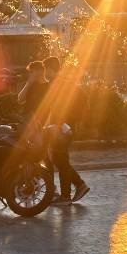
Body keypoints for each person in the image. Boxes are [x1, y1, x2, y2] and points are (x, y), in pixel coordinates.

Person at [43, 56, 89, 205]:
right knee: (58, 159)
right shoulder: (62, 82)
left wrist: (64, 122)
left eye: (45, 70)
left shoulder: (58, 84)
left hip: (62, 127)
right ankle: (78, 186)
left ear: (50, 69)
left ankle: (66, 196)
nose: (45, 73)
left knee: (60, 160)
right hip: (62, 126)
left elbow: (59, 106)